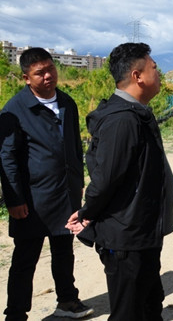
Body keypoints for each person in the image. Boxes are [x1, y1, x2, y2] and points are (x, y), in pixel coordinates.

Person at [66, 43, 173, 321]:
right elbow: (106, 179)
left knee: (149, 305)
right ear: (138, 76)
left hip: (141, 232)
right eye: (154, 68)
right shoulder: (122, 120)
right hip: (127, 236)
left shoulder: (136, 112)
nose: (158, 73)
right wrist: (87, 212)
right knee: (128, 312)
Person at [0, 48, 94, 320]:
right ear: (26, 78)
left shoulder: (66, 103)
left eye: (50, 69)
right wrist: (15, 199)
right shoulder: (16, 109)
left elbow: (74, 146)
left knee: (64, 250)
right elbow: (7, 157)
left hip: (65, 192)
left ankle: (67, 301)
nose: (48, 76)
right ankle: (16, 313)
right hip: (33, 198)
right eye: (39, 73)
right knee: (25, 258)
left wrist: (78, 182)